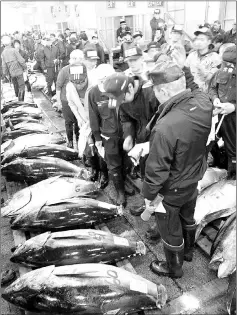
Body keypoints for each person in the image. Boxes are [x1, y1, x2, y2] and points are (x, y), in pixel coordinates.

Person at [141, 59, 213, 278]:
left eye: (154, 89)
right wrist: (178, 66)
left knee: (170, 228)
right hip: (193, 179)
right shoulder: (204, 102)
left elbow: (157, 170)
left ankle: (174, 268)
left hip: (170, 190)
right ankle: (188, 252)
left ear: (162, 90)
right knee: (187, 218)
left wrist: (149, 196)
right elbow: (192, 83)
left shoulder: (165, 126)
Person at [208, 45, 236, 179]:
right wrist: (215, 99)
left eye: (232, 63)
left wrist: (234, 107)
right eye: (226, 62)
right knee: (210, 142)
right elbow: (212, 88)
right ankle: (219, 164)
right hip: (218, 115)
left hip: (233, 120)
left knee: (233, 150)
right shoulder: (219, 72)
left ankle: (232, 176)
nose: (228, 66)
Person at [56, 49, 83, 148]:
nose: (80, 61)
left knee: (78, 122)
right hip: (66, 100)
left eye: (81, 59)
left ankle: (80, 142)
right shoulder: (64, 70)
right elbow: (58, 86)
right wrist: (59, 101)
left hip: (79, 101)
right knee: (68, 122)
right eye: (78, 59)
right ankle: (70, 141)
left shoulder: (83, 70)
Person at [185, 26, 221, 92]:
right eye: (197, 39)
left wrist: (204, 74)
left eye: (202, 40)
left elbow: (215, 81)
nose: (198, 42)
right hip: (190, 93)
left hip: (206, 95)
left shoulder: (215, 58)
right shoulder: (191, 55)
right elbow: (185, 72)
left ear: (209, 41)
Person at [1, 35, 27, 101]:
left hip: (11, 73)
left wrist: (6, 74)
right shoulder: (14, 50)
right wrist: (25, 68)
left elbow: (4, 65)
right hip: (19, 71)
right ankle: (21, 101)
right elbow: (21, 60)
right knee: (21, 86)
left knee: (15, 85)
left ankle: (17, 97)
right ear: (10, 43)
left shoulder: (3, 53)